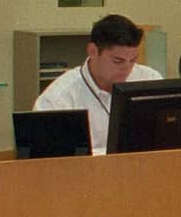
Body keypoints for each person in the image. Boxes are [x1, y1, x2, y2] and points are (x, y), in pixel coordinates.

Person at [33, 13, 162, 153]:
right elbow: (49, 160)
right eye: (117, 61)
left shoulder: (149, 79)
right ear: (93, 51)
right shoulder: (58, 100)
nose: (127, 69)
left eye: (133, 60)